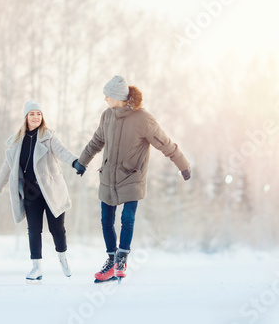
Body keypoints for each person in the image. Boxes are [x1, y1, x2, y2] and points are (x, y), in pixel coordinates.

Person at [73, 75, 191, 283]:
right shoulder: (107, 116)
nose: (105, 99)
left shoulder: (143, 119)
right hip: (108, 176)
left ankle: (122, 258)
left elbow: (164, 143)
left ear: (117, 97)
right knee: (106, 220)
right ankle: (111, 260)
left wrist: (183, 165)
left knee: (127, 218)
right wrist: (83, 161)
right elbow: (96, 141)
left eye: (107, 96)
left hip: (132, 176)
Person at [0, 100, 80, 281]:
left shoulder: (48, 137)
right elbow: (7, 167)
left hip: (51, 189)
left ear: (42, 117)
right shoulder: (17, 142)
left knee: (57, 229)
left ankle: (62, 258)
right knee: (33, 229)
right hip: (31, 192)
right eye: (32, 114)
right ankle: (36, 267)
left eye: (38, 114)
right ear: (26, 117)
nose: (36, 117)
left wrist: (75, 162)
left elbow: (62, 151)